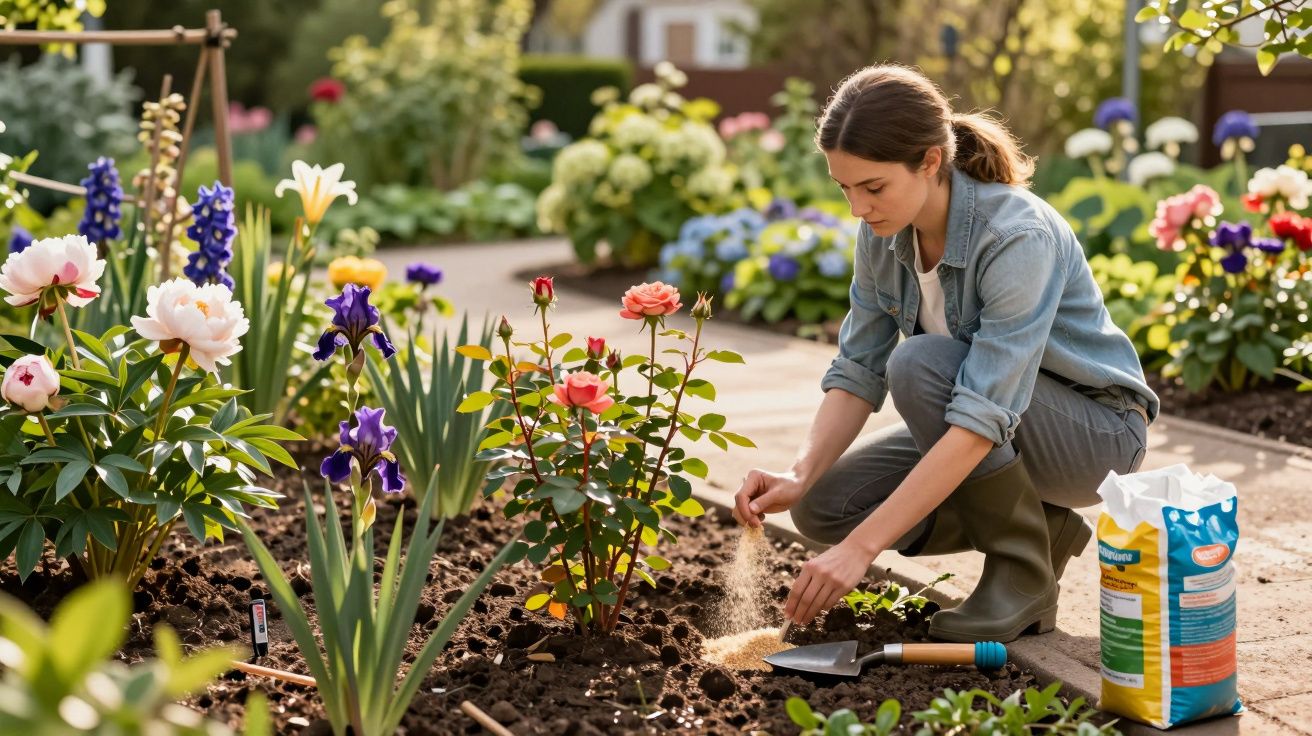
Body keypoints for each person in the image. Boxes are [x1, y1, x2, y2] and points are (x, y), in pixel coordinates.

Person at [731, 64, 1157, 643]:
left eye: (873, 186)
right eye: (845, 188)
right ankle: (1039, 526)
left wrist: (862, 551)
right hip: (991, 419)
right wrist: (799, 473)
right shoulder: (883, 234)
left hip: (1095, 435)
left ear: (930, 161)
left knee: (920, 364)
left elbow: (983, 414)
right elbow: (857, 369)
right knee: (825, 506)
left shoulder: (1016, 236)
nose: (858, 207)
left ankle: (1021, 572)